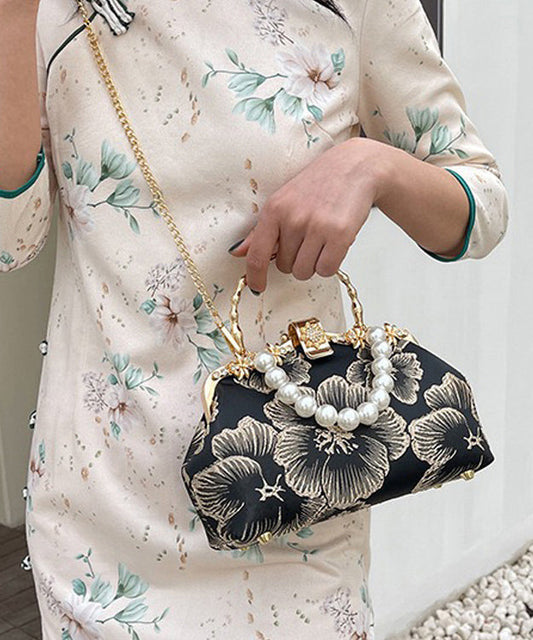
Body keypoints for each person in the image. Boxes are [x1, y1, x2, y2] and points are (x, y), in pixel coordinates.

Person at [0, 0, 509, 638]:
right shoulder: (46, 13)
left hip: (296, 487)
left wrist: (371, 167)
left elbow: (482, 207)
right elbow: (10, 243)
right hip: (103, 514)